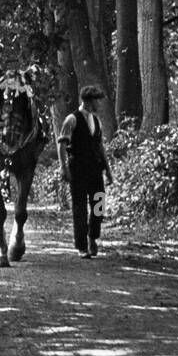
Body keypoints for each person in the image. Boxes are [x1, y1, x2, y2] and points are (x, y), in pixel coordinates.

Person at [57, 85, 114, 259]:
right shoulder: (72, 119)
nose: (99, 103)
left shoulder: (97, 121)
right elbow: (62, 144)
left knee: (99, 204)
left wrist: (108, 170)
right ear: (89, 101)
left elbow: (100, 147)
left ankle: (92, 236)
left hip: (95, 168)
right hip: (78, 169)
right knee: (80, 207)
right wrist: (64, 167)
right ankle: (82, 246)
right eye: (97, 100)